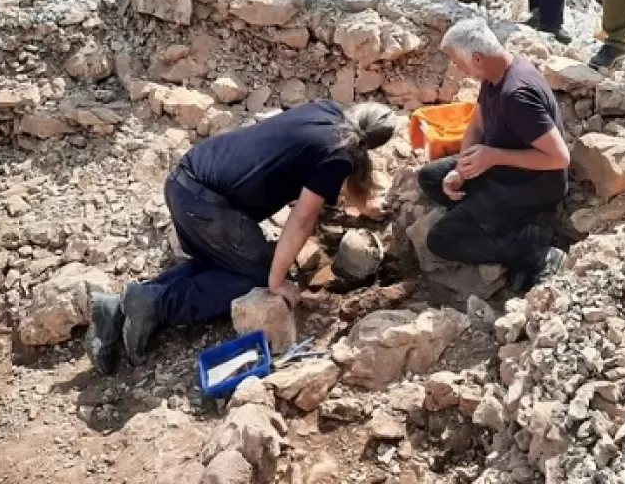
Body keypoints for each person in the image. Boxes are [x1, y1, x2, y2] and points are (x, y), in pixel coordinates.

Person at [85, 100, 400, 372]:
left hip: (185, 184)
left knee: (226, 262)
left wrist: (365, 205)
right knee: (256, 277)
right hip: (207, 207)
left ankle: (116, 306)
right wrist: (276, 280)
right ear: (371, 147)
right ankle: (158, 304)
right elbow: (302, 219)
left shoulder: (327, 110)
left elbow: (317, 163)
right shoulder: (338, 154)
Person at [416, 18, 570, 292]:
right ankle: (487, 217)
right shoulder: (494, 74)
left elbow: (559, 158)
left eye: (458, 62)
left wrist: (494, 156)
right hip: (499, 167)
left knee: (441, 240)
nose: (457, 68)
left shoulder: (517, 95)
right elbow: (477, 123)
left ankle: (532, 249)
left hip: (531, 185)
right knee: (431, 177)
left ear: (476, 58)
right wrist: (461, 169)